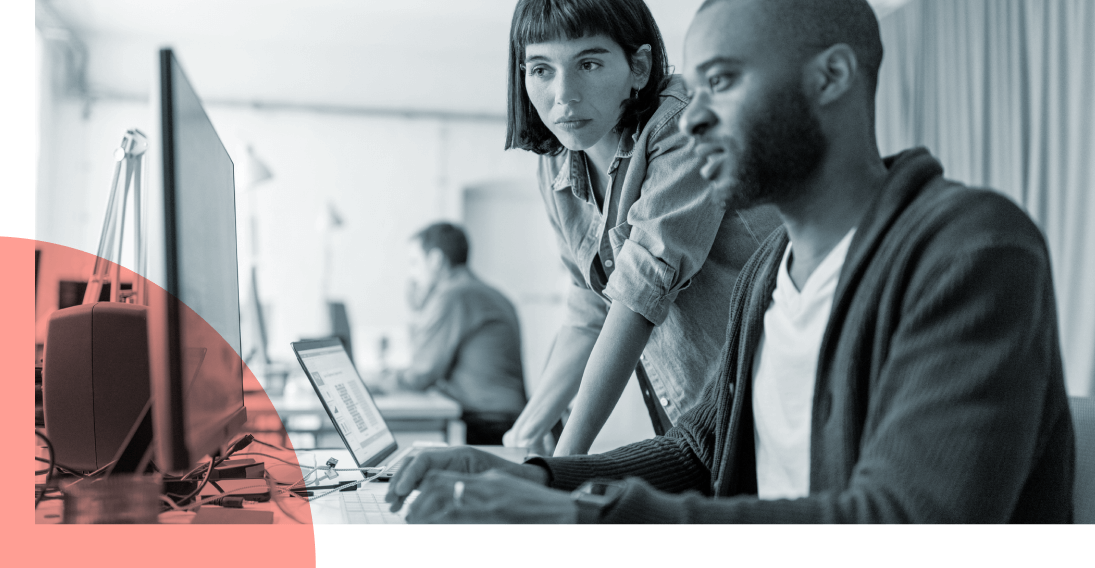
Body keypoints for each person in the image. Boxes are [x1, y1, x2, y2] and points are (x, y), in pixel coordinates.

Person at [384, 0, 1075, 524]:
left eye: (720, 81)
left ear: (831, 77)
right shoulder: (770, 271)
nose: (689, 119)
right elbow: (696, 454)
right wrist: (532, 474)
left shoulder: (970, 249)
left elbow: (902, 513)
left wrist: (581, 513)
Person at [500, 0, 781, 457]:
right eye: (541, 69)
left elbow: (639, 293)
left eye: (588, 63)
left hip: (771, 405)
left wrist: (560, 467)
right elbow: (589, 310)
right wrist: (525, 435)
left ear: (639, 66)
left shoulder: (684, 122)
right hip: (697, 425)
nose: (563, 95)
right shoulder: (556, 163)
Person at [380, 222, 528, 445]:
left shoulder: (454, 295)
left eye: (414, 263)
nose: (412, 275)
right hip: (509, 419)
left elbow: (421, 373)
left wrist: (378, 382)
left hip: (488, 422)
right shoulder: (490, 293)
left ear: (436, 260)